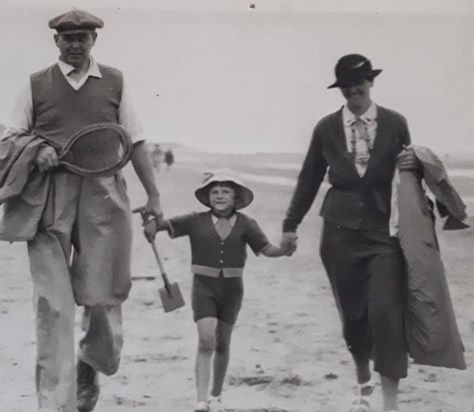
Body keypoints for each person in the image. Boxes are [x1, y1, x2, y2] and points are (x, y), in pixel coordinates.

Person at [3, 9, 163, 412]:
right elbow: (9, 137)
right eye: (68, 37)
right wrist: (36, 149)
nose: (75, 44)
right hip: (46, 199)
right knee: (53, 305)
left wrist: (155, 196)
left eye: (83, 37)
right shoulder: (35, 84)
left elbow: (137, 142)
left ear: (94, 40)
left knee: (104, 296)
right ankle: (56, 403)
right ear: (56, 41)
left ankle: (91, 364)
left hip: (104, 196)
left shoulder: (115, 81)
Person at [281, 54, 418, 412]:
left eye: (359, 83)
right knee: (354, 316)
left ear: (371, 82)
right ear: (339, 88)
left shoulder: (395, 122)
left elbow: (409, 178)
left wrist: (415, 166)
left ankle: (391, 403)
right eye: (346, 85)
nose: (353, 90)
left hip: (383, 233)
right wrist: (290, 225)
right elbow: (309, 178)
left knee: (386, 316)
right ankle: (362, 384)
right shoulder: (326, 127)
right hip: (339, 235)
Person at [144, 170, 292, 412]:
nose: (220, 195)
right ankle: (201, 401)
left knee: (223, 343)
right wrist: (151, 225)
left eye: (226, 191)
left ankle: (216, 396)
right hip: (203, 288)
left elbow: (267, 249)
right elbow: (162, 225)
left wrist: (285, 250)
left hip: (233, 290)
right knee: (206, 340)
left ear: (235, 198)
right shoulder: (194, 220)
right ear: (207, 197)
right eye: (214, 191)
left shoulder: (247, 224)